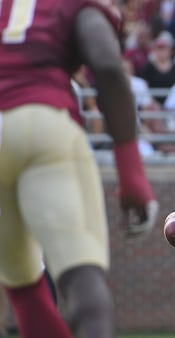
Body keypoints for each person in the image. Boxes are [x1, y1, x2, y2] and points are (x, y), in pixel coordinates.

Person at [0, 2, 159, 338]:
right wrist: (131, 172)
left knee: (25, 288)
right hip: (43, 121)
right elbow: (108, 67)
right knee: (80, 273)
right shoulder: (68, 6)